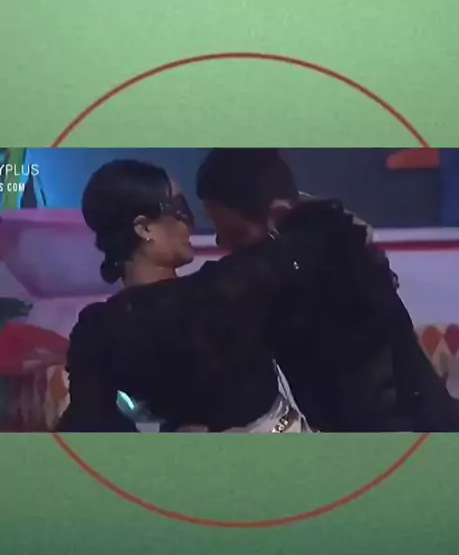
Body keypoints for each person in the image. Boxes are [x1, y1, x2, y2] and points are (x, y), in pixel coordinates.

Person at [196, 148, 459, 432]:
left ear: (278, 216)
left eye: (236, 235)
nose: (222, 245)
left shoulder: (325, 261)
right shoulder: (329, 244)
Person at [56, 159, 327, 433]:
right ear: (144, 227)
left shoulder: (97, 329)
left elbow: (87, 423)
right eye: (179, 209)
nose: (190, 224)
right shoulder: (220, 289)